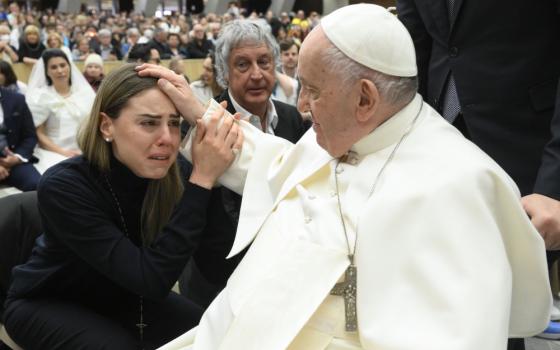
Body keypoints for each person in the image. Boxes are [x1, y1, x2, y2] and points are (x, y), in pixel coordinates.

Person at [140, 4, 551, 349]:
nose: (300, 106)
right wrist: (201, 111)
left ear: (365, 98)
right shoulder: (345, 132)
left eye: (312, 90)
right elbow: (279, 167)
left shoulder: (457, 185)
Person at [3, 63, 242, 350]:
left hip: (125, 293)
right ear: (107, 126)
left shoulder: (173, 173)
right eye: (149, 123)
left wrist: (216, 161)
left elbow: (214, 253)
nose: (167, 138)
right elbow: (153, 280)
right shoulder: (64, 185)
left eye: (174, 123)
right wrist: (202, 180)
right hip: (47, 300)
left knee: (220, 334)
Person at [396, 1, 560, 346]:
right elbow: (412, 49)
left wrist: (555, 186)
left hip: (527, 153)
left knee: (504, 309)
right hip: (434, 149)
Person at [178, 19, 308, 308]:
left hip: (280, 269)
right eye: (243, 65)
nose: (257, 74)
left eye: (264, 62)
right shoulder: (202, 123)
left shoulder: (291, 118)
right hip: (218, 279)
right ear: (224, 73)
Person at [26, 48, 95, 174]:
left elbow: (93, 124)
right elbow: (40, 134)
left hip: (85, 147)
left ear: (69, 66)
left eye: (63, 65)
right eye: (53, 67)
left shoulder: (84, 93)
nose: (60, 71)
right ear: (46, 71)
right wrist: (64, 153)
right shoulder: (41, 96)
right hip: (55, 150)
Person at [0, 86, 40, 191]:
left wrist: (17, 158)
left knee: (37, 185)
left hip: (14, 160)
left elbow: (29, 136)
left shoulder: (17, 99)